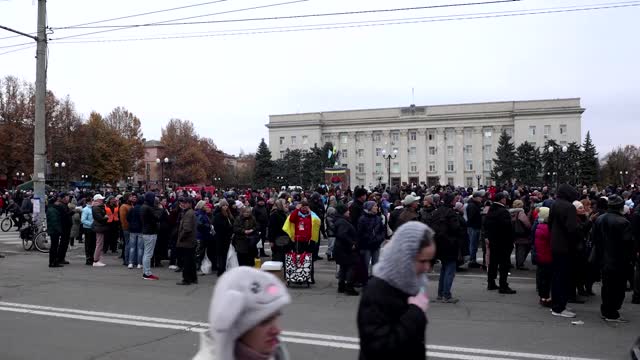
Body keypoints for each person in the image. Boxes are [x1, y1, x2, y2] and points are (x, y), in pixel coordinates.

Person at [357, 222, 436, 360]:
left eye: (429, 261)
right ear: (404, 258)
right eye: (422, 261)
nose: (427, 268)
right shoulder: (377, 291)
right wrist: (415, 312)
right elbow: (377, 348)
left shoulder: (411, 284)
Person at [192, 267, 291, 360]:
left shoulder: (276, 354)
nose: (277, 330)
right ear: (234, 325)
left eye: (276, 316)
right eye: (264, 321)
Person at [592, 195, 633, 322]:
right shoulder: (623, 222)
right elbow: (628, 244)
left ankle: (606, 310)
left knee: (607, 286)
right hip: (618, 259)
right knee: (618, 287)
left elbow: (595, 239)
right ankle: (612, 312)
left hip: (604, 258)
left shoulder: (600, 219)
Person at [548, 184, 580, 318]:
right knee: (564, 277)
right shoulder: (569, 207)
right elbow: (572, 229)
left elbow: (550, 223)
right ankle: (559, 307)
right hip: (566, 247)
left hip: (555, 244)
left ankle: (557, 304)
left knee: (557, 276)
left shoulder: (555, 204)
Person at [429, 192, 462, 303]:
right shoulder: (451, 213)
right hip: (450, 243)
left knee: (444, 268)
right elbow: (455, 228)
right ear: (452, 201)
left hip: (438, 243)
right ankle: (446, 295)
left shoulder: (437, 211)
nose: (456, 201)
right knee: (450, 269)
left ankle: (441, 293)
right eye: (455, 200)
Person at [484, 192, 516, 294]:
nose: (506, 200)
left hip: (493, 240)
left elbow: (486, 224)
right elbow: (507, 227)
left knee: (493, 262)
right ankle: (503, 285)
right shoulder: (503, 211)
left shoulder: (491, 210)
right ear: (502, 199)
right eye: (505, 198)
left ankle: (491, 282)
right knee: (504, 264)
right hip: (503, 242)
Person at [356, 201, 385, 285]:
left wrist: (379, 238)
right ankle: (364, 280)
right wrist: (370, 238)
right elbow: (360, 232)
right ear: (370, 208)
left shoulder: (378, 218)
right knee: (365, 263)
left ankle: (374, 280)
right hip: (366, 245)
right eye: (375, 206)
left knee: (376, 263)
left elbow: (382, 231)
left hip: (376, 244)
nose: (377, 207)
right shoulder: (362, 219)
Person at [333, 203, 359, 296]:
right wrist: (351, 243)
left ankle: (341, 286)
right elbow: (342, 234)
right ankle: (349, 287)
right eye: (347, 210)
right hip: (345, 249)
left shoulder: (340, 220)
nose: (349, 211)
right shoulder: (343, 222)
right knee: (352, 266)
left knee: (344, 266)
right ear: (343, 212)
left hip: (340, 248)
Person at [46, 193, 71, 268]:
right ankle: (53, 262)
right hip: (54, 231)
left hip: (54, 230)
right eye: (57, 202)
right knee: (54, 246)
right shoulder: (53, 210)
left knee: (54, 246)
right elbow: (54, 221)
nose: (58, 203)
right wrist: (59, 230)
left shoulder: (52, 209)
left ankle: (53, 262)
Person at [534, 207, 552, 307]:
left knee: (542, 277)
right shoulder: (547, 228)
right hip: (547, 256)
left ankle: (543, 297)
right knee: (546, 279)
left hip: (541, 255)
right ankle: (546, 298)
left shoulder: (539, 226)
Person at [177, 197, 198, 285]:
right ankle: (193, 278)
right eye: (182, 203)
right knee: (191, 260)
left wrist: (181, 238)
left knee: (186, 261)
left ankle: (186, 279)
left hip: (187, 241)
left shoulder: (188, 213)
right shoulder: (190, 212)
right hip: (191, 240)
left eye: (185, 203)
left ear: (189, 204)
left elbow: (187, 229)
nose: (183, 204)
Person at [141, 192, 161, 280]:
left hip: (146, 231)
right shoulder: (148, 208)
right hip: (150, 232)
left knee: (147, 253)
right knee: (148, 254)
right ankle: (147, 273)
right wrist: (159, 209)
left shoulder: (144, 207)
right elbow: (157, 218)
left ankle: (146, 272)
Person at [214, 199, 235, 276]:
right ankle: (221, 270)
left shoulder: (229, 214)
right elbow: (219, 227)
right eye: (223, 205)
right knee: (221, 255)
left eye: (226, 205)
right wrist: (229, 229)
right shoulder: (218, 215)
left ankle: (224, 268)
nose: (225, 207)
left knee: (225, 254)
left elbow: (232, 223)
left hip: (227, 238)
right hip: (220, 238)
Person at [510, 200, 532, 270]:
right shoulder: (521, 213)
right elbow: (527, 224)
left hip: (513, 233)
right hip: (521, 233)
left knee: (517, 248)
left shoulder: (511, 213)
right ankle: (520, 264)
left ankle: (518, 263)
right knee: (522, 248)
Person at [466, 192, 483, 268]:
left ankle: (472, 260)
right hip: (473, 227)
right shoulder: (472, 205)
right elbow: (471, 217)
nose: (481, 198)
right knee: (473, 244)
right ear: (475, 197)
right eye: (480, 197)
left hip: (474, 226)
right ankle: (472, 260)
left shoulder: (474, 204)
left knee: (474, 244)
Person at [91, 194, 109, 267]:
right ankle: (96, 260)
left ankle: (97, 259)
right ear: (97, 200)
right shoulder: (96, 207)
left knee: (99, 244)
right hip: (99, 226)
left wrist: (104, 217)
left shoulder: (97, 207)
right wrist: (105, 217)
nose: (102, 200)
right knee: (99, 244)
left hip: (99, 226)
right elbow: (100, 218)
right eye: (101, 199)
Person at [127, 196, 144, 269]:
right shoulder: (142, 209)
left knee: (132, 247)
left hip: (132, 229)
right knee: (140, 248)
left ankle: (130, 263)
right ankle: (139, 263)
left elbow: (128, 218)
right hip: (140, 229)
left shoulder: (132, 208)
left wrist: (131, 223)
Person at [119, 193, 134, 266]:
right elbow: (123, 219)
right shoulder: (124, 206)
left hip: (130, 228)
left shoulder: (130, 205)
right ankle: (126, 260)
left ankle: (128, 259)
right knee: (128, 244)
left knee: (129, 244)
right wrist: (127, 227)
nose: (132, 197)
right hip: (127, 228)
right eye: (130, 196)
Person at [81, 197, 95, 266]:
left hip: (93, 229)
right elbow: (83, 220)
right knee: (88, 244)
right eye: (92, 201)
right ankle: (88, 258)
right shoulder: (86, 210)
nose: (93, 202)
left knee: (93, 244)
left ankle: (92, 257)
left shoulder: (93, 208)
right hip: (88, 229)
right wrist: (91, 224)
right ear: (89, 202)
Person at [325, 196, 338, 261]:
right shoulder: (331, 210)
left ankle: (330, 254)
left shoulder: (330, 209)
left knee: (332, 243)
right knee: (331, 244)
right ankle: (329, 254)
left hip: (331, 231)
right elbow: (331, 224)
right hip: (331, 231)